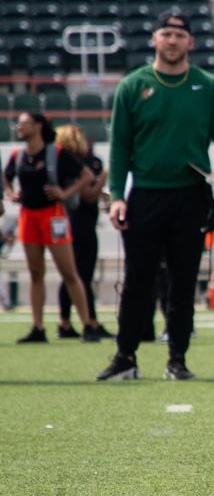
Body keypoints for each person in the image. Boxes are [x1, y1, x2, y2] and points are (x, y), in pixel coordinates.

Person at [99, 10, 214, 381]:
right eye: (165, 33)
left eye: (179, 35)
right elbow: (119, 149)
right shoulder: (132, 86)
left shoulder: (206, 86)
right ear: (154, 39)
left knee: (183, 282)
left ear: (190, 43)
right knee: (138, 281)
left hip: (191, 197)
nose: (172, 40)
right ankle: (125, 357)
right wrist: (117, 195)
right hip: (145, 196)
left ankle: (177, 359)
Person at [3, 112, 99, 343]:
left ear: (38, 126)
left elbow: (86, 176)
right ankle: (38, 327)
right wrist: (10, 194)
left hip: (53, 216)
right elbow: (5, 178)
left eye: (24, 123)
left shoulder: (56, 153)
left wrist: (65, 194)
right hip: (29, 216)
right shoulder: (18, 155)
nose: (19, 127)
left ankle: (87, 324)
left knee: (69, 272)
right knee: (36, 273)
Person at [54, 124, 113, 340]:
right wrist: (105, 176)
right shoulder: (74, 163)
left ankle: (66, 322)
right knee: (81, 274)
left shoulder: (63, 162)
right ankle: (90, 321)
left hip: (73, 220)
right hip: (79, 222)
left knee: (71, 274)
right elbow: (88, 194)